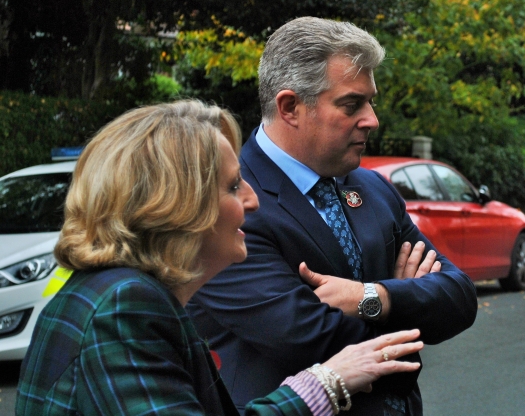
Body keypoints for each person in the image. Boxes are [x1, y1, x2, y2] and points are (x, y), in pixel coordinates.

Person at [16, 100, 424, 416]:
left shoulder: (116, 293)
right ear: (175, 206)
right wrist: (327, 383)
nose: (252, 200)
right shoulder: (126, 306)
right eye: (233, 187)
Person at [187, 17, 478, 416]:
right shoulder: (229, 205)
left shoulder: (372, 188)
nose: (372, 119)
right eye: (351, 104)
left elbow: (461, 297)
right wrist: (412, 310)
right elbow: (309, 340)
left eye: (370, 101)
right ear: (290, 107)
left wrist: (373, 296)